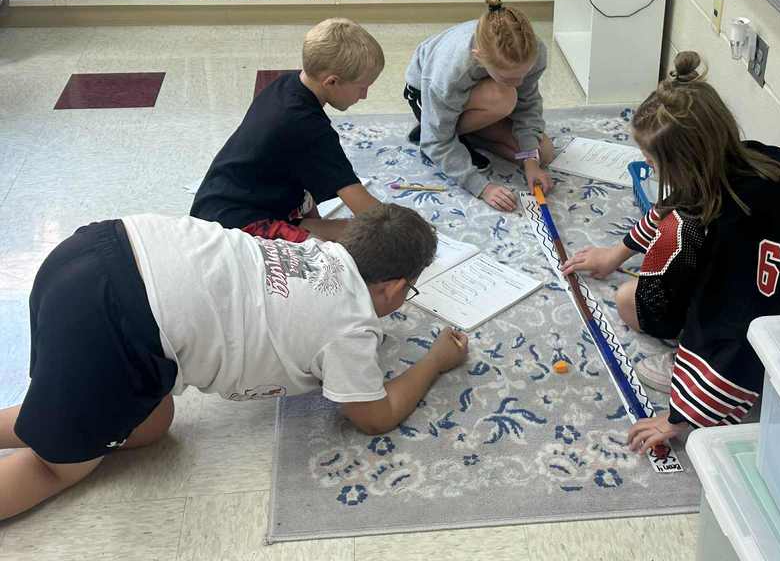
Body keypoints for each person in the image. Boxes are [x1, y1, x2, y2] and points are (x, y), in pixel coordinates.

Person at [0, 204, 468, 520]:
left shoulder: (322, 251)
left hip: (100, 246)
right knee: (55, 467)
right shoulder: (351, 325)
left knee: (152, 423)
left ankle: (56, 421)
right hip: (115, 321)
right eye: (408, 291)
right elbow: (374, 416)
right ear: (391, 287)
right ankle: (57, 445)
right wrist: (435, 360)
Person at [560, 51, 780, 452]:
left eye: (652, 162)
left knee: (631, 302)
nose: (651, 169)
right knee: (647, 284)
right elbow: (678, 205)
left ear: (687, 165)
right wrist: (617, 252)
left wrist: (681, 416)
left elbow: (736, 327)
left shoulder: (739, 231)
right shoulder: (742, 159)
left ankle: (699, 380)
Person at [191, 18, 383, 243]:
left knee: (351, 231)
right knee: (358, 243)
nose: (364, 96)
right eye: (362, 87)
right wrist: (404, 227)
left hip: (222, 204)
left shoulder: (286, 84)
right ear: (331, 82)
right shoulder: (308, 128)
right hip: (233, 227)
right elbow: (369, 212)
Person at [404, 0, 555, 212]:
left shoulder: (534, 51)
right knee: (505, 96)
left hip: (477, 98)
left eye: (523, 74)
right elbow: (437, 142)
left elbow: (528, 106)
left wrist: (530, 163)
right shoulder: (449, 70)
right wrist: (483, 188)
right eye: (509, 77)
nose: (519, 81)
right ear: (479, 58)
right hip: (424, 96)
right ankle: (437, 132)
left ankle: (464, 137)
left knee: (544, 152)